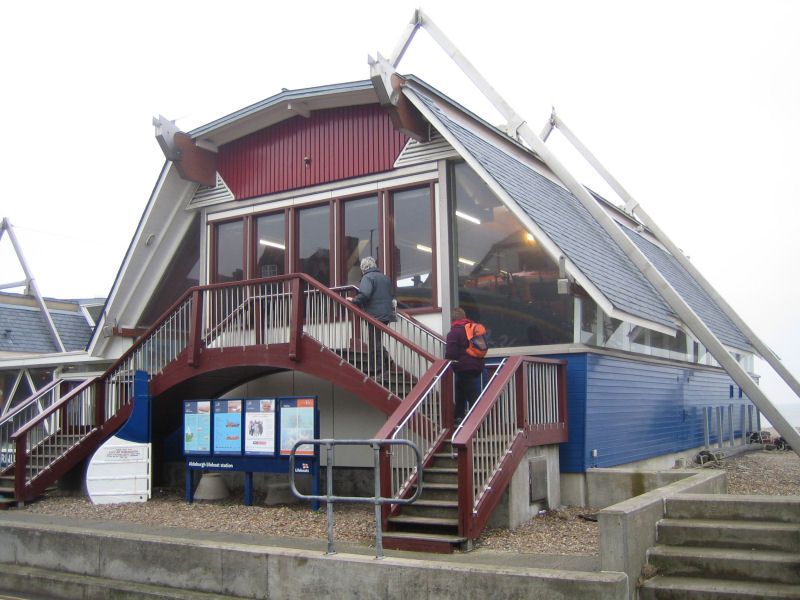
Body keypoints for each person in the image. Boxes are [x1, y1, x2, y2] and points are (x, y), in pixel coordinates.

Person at [349, 257, 395, 374]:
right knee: (377, 340)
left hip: (374, 314)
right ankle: (386, 358)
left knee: (374, 343)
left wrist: (354, 300)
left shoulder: (367, 277)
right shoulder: (385, 278)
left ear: (363, 268)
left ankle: (378, 369)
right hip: (386, 313)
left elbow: (365, 294)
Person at [445, 307, 486, 423]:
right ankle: (459, 417)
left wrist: (446, 361)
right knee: (460, 391)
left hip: (463, 367)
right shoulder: (472, 329)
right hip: (477, 366)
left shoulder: (454, 332)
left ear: (452, 319)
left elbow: (451, 353)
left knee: (472, 395)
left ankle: (479, 422)